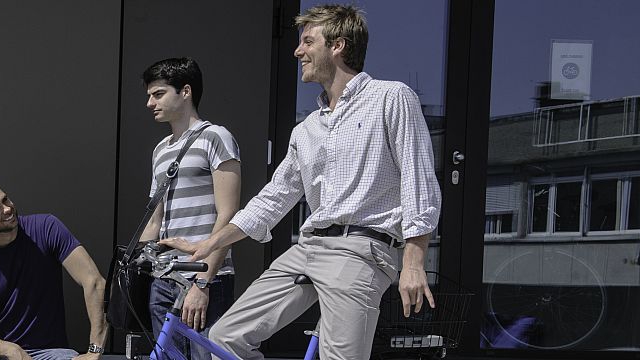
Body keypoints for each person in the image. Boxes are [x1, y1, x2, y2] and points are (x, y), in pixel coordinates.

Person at [160, 5, 442, 360]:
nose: (297, 51)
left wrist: (414, 262)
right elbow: (273, 199)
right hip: (307, 248)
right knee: (221, 340)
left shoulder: (390, 98)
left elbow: (419, 182)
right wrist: (210, 244)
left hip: (359, 250)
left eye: (308, 41)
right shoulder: (306, 129)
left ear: (337, 45)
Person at [139, 57, 242, 360]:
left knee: (204, 356)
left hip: (204, 276)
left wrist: (202, 282)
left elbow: (229, 215)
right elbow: (155, 219)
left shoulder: (216, 137)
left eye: (158, 94)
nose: (149, 103)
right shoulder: (160, 150)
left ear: (185, 91)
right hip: (164, 278)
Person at [0, 180, 107, 360]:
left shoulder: (47, 228)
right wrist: (10, 349)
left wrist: (95, 351)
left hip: (50, 353)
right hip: (0, 352)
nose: (8, 208)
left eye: (6, 199)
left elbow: (94, 282)